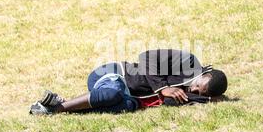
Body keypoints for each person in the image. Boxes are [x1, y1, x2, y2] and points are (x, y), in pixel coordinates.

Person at [29, 49, 227, 115]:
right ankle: (57, 107)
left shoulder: (194, 92)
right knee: (112, 94)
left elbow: (170, 102)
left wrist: (211, 100)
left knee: (125, 106)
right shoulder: (188, 61)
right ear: (205, 73)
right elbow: (146, 57)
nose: (193, 90)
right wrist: (163, 87)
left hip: (131, 97)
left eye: (199, 93)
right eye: (198, 86)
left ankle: (55, 107)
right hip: (116, 74)